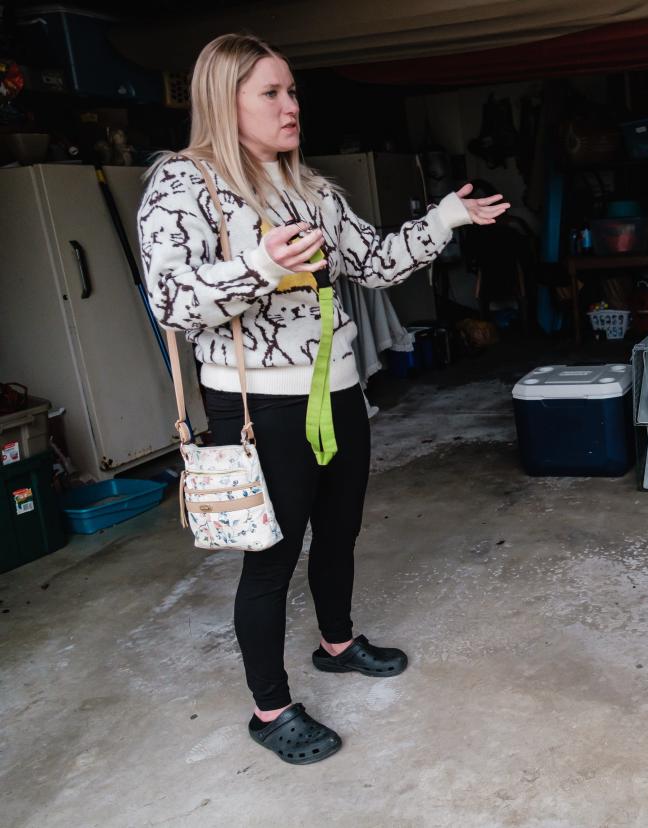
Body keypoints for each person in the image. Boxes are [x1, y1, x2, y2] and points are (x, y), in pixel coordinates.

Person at [138, 33, 509, 765]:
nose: (290, 107)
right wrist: (258, 264)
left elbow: (372, 264)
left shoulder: (311, 189)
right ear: (225, 100)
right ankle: (269, 710)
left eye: (293, 91)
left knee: (338, 532)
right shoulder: (183, 185)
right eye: (270, 94)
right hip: (257, 406)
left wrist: (445, 221)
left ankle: (336, 644)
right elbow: (174, 302)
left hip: (337, 392)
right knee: (270, 559)